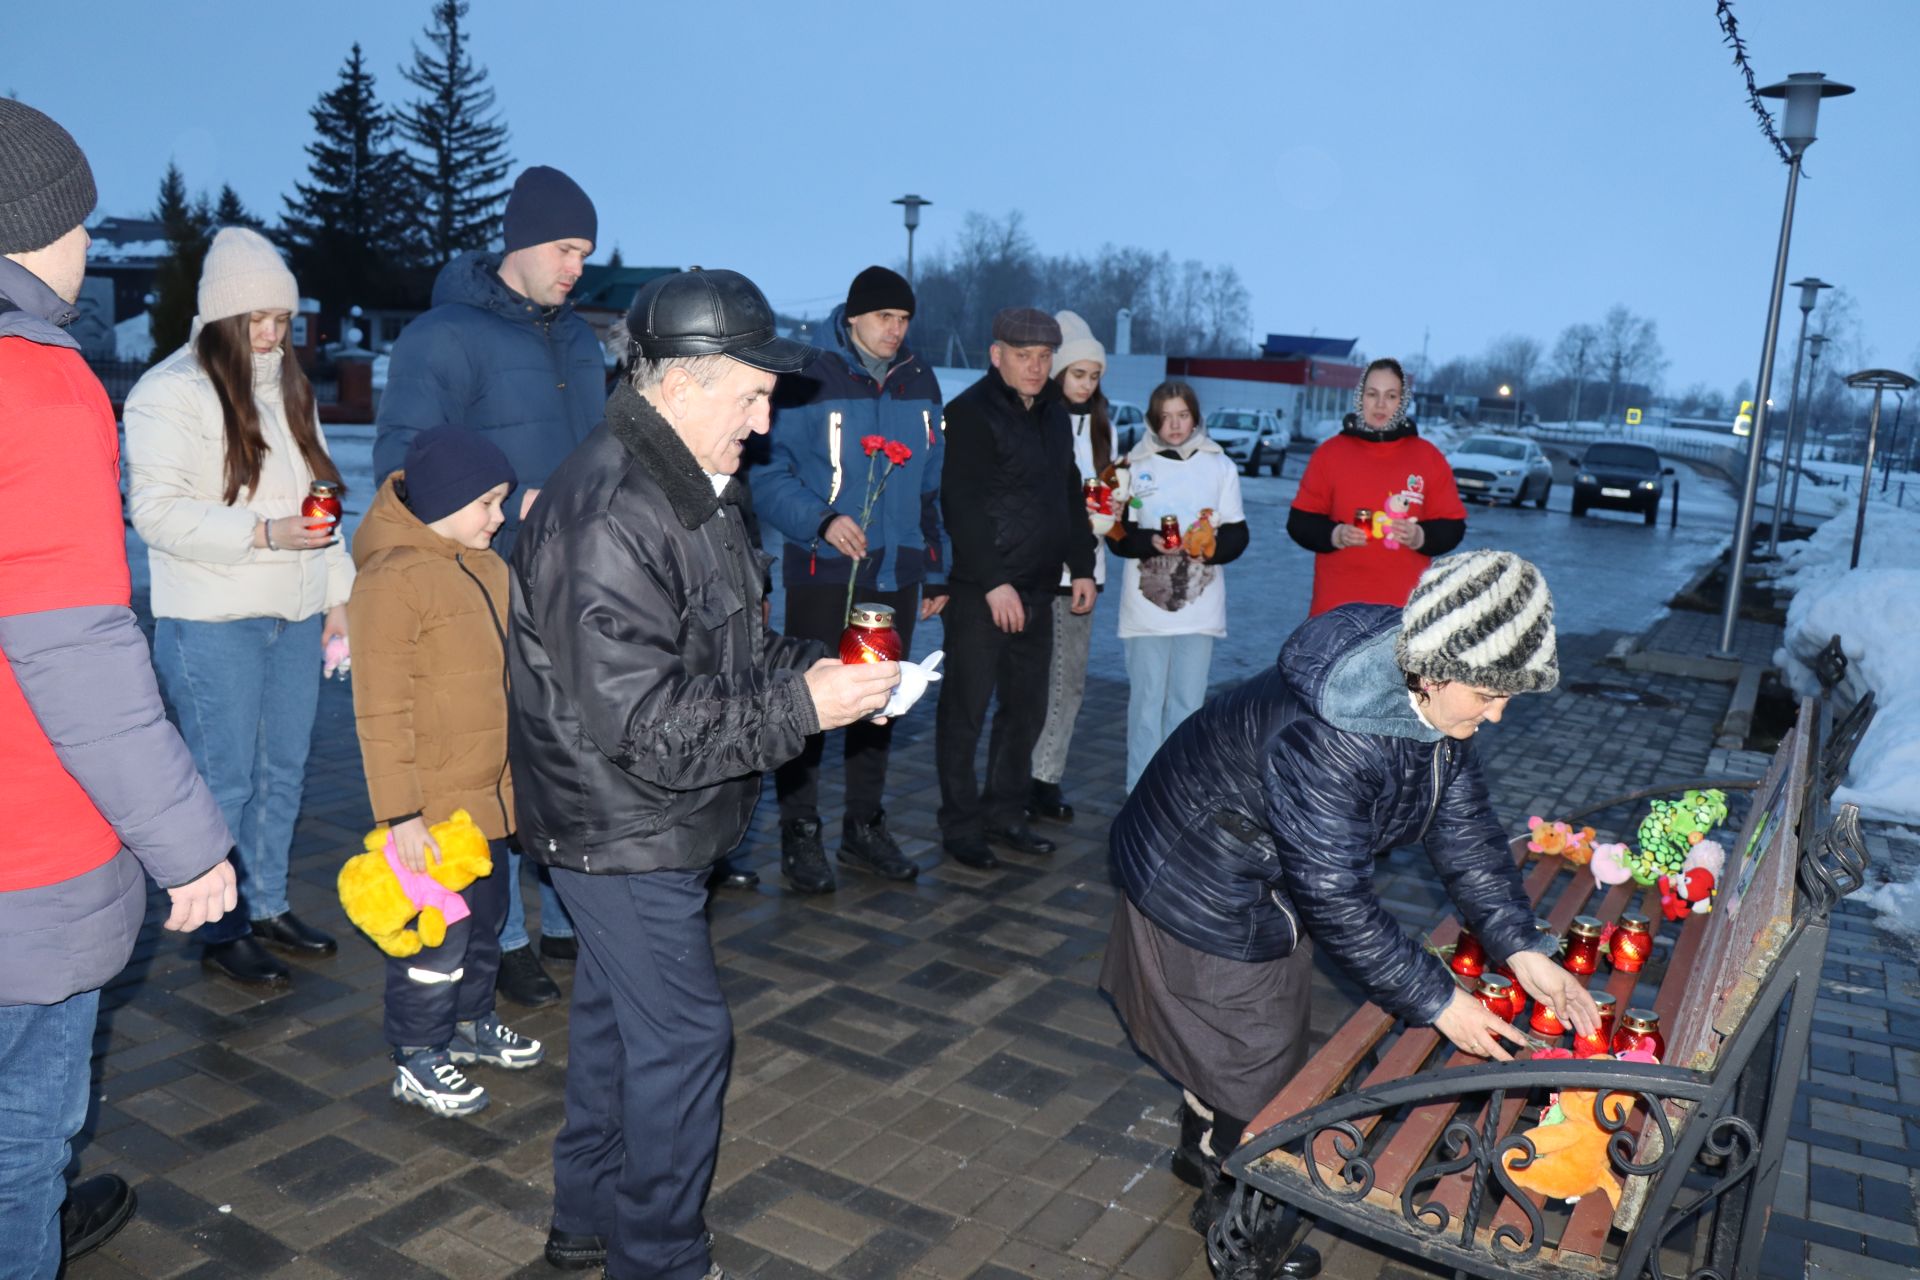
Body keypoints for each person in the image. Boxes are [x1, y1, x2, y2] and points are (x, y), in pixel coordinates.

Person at [508, 269, 900, 1280]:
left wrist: (809, 677)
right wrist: (803, 709)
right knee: (683, 1043)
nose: (766, 421)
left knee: (615, 1025)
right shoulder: (611, 510)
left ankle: (586, 1216)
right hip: (620, 820)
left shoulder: (693, 487)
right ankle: (661, 1255)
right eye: (752, 394)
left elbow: (715, 655)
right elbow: (644, 720)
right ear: (679, 384)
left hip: (647, 814)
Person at [1100, 550, 1600, 1276]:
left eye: (1509, 695)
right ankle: (1244, 1240)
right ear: (1434, 668)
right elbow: (1337, 897)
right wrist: (1438, 1001)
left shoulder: (1425, 703)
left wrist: (1522, 948)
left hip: (1255, 872)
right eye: (1490, 693)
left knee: (1246, 1038)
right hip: (1199, 874)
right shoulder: (1334, 736)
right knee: (1257, 1060)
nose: (1498, 713)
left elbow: (1464, 834)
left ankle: (1203, 1152)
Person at [0, 98, 237, 1275]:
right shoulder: (38, 387)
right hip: (23, 855)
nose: (88, 243)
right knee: (21, 1131)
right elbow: (79, 649)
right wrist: (189, 847)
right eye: (76, 219)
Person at [374, 164, 604, 1006]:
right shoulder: (445, 336)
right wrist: (503, 508)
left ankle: (573, 919)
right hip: (480, 582)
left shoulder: (579, 339)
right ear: (518, 242)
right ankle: (502, 938)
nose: (575, 265)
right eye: (563, 247)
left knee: (566, 751)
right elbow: (402, 459)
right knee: (487, 763)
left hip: (573, 581)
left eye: (585, 250)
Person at [124, 226, 352, 988]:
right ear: (220, 318)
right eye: (256, 319)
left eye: (282, 320)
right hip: (213, 621)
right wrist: (262, 532)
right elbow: (154, 511)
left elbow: (322, 508)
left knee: (282, 769)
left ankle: (267, 904)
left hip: (291, 617)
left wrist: (340, 598)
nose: (272, 334)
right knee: (225, 779)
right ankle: (220, 927)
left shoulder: (289, 391)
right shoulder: (168, 392)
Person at [347, 426, 545, 1118]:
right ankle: (418, 1052)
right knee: (438, 938)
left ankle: (468, 1024)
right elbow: (379, 708)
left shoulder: (488, 565)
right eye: (488, 502)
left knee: (487, 924)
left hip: (490, 799)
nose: (498, 516)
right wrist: (401, 815)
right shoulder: (392, 581)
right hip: (430, 809)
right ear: (446, 500)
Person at [754, 265, 946, 892]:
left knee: (879, 701)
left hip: (894, 574)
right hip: (822, 570)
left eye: (904, 320)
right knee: (808, 699)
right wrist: (822, 521)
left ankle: (864, 827)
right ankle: (800, 832)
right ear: (854, 316)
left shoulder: (921, 379)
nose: (896, 330)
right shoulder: (810, 377)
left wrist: (937, 563)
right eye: (885, 318)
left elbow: (932, 484)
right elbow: (767, 473)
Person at [935, 308, 1096, 869]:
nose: (1036, 367)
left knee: (1025, 711)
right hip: (983, 592)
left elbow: (1068, 495)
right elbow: (962, 505)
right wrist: (993, 581)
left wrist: (1082, 564)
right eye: (1024, 356)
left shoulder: (1054, 416)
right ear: (996, 354)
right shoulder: (970, 414)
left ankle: (1005, 812)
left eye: (1045, 357)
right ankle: (960, 823)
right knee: (966, 711)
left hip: (1038, 589)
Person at [1109, 380, 1250, 792]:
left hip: (1199, 609)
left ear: (1195, 416)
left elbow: (1238, 534)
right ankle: (1140, 789)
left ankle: (1178, 791)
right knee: (1146, 704)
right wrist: (1146, 539)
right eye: (1165, 417)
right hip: (1145, 611)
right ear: (1153, 420)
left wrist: (1211, 551)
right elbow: (1116, 534)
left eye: (1182, 415)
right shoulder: (1131, 466)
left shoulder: (1219, 465)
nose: (1174, 425)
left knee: (1187, 706)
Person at [1287, 357, 1466, 616]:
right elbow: (1300, 522)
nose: (1381, 404)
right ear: (1360, 398)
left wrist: (1420, 537)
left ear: (1402, 402)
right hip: (1335, 611)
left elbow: (1453, 526)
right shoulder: (1330, 454)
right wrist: (1335, 534)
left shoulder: (1428, 457)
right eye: (1372, 394)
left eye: (1391, 396)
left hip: (1403, 614)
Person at [1027, 310, 1109, 824]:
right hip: (1042, 569)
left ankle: (1046, 775)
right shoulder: (1040, 419)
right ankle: (1025, 774)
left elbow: (1111, 489)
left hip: (1086, 568)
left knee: (1070, 682)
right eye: (1078, 373)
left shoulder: (1104, 426)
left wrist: (1114, 513)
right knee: (1037, 680)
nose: (1086, 384)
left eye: (1094, 375)